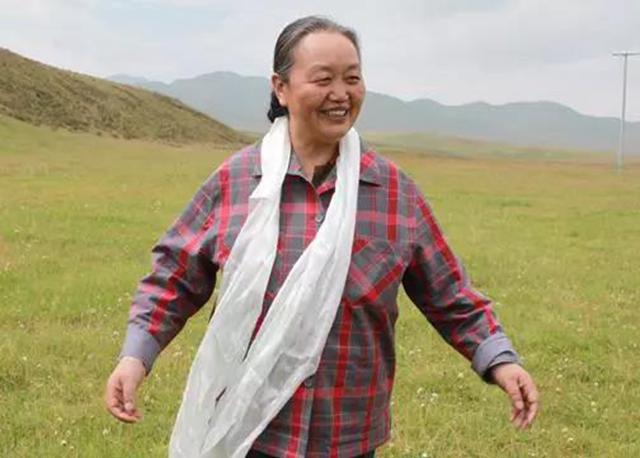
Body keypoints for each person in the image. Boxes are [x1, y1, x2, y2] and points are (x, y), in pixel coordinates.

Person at [105, 16, 538, 457]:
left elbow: (449, 293)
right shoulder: (237, 181)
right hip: (248, 430)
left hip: (346, 436)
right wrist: (136, 356)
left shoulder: (393, 192)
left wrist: (500, 359)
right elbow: (175, 276)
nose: (341, 93)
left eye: (352, 78)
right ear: (281, 88)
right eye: (323, 79)